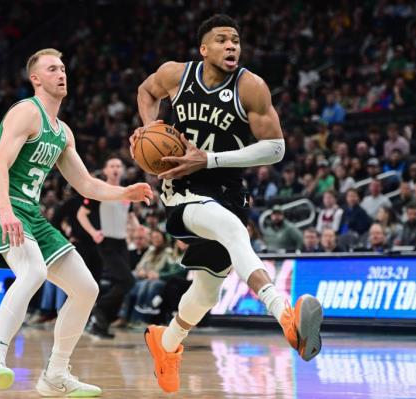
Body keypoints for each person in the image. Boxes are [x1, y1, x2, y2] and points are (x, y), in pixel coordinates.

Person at [129, 15, 322, 394]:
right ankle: (285, 315)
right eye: (222, 40)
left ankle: (164, 345)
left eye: (236, 40)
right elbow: (146, 91)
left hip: (228, 188)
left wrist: (211, 159)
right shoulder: (175, 75)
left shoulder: (251, 87)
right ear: (204, 48)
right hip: (182, 187)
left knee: (206, 293)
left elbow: (276, 148)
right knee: (234, 232)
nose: (232, 46)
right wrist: (148, 127)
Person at [0, 48, 152, 396]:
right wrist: (6, 211)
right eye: (52, 69)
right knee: (34, 272)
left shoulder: (63, 132)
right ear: (35, 79)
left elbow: (85, 184)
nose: (61, 73)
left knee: (87, 289)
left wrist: (124, 192)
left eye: (63, 68)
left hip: (32, 213)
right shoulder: (26, 112)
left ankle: (55, 375)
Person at [77, 156, 139, 338]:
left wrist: (137, 227)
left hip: (122, 243)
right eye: (111, 165)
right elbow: (81, 214)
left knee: (122, 284)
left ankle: (101, 324)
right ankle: (99, 310)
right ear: (105, 170)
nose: (116, 169)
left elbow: (129, 214)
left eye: (119, 166)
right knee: (127, 281)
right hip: (107, 243)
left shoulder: (127, 192)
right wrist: (93, 232)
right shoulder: (99, 190)